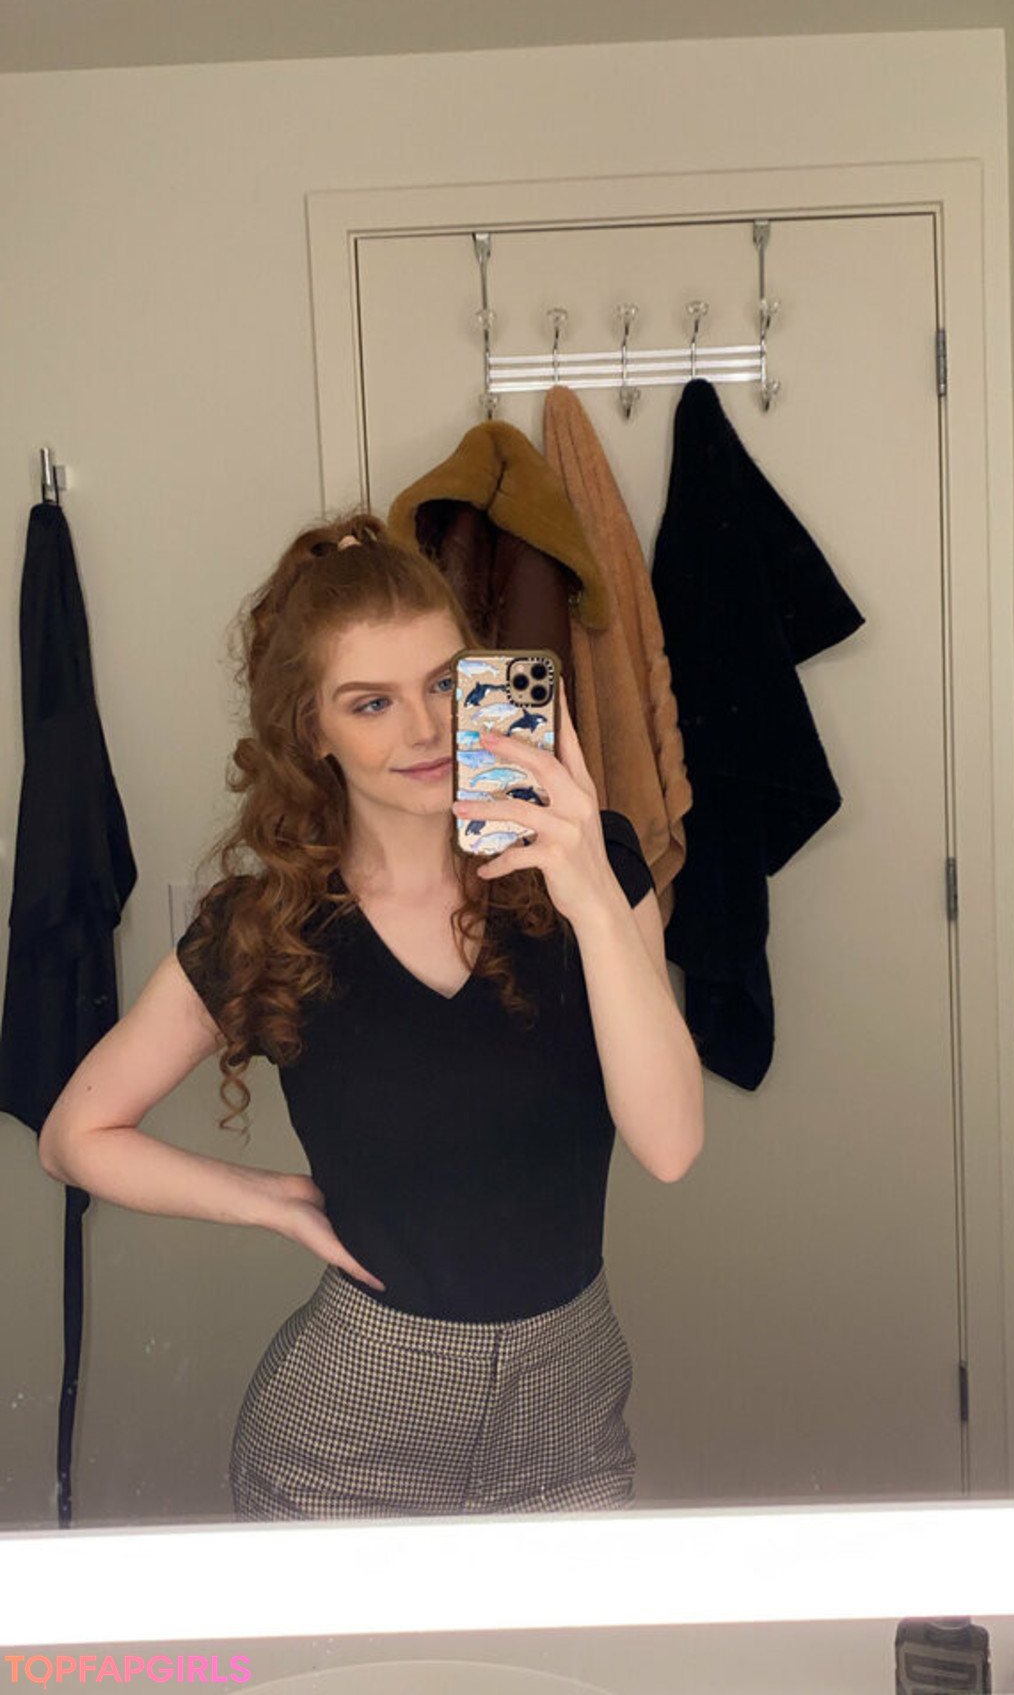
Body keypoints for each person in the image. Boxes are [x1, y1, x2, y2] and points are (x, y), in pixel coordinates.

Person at [38, 506, 705, 1521]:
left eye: (443, 683)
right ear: (313, 728)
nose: (425, 731)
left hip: (570, 1425)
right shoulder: (268, 927)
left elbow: (671, 1144)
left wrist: (593, 899)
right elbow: (74, 1136)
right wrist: (270, 1200)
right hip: (346, 1443)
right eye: (371, 703)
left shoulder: (594, 866)